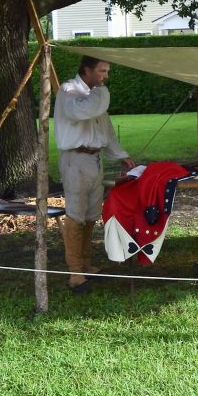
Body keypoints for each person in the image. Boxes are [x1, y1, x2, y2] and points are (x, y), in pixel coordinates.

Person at [54, 56, 134, 294]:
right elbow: (83, 111)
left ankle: (86, 264)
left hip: (93, 160)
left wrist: (120, 155)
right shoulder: (68, 91)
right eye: (102, 71)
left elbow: (105, 130)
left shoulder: (94, 95)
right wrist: (102, 93)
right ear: (86, 70)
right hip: (75, 160)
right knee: (75, 216)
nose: (105, 76)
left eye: (107, 71)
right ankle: (75, 273)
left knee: (90, 215)